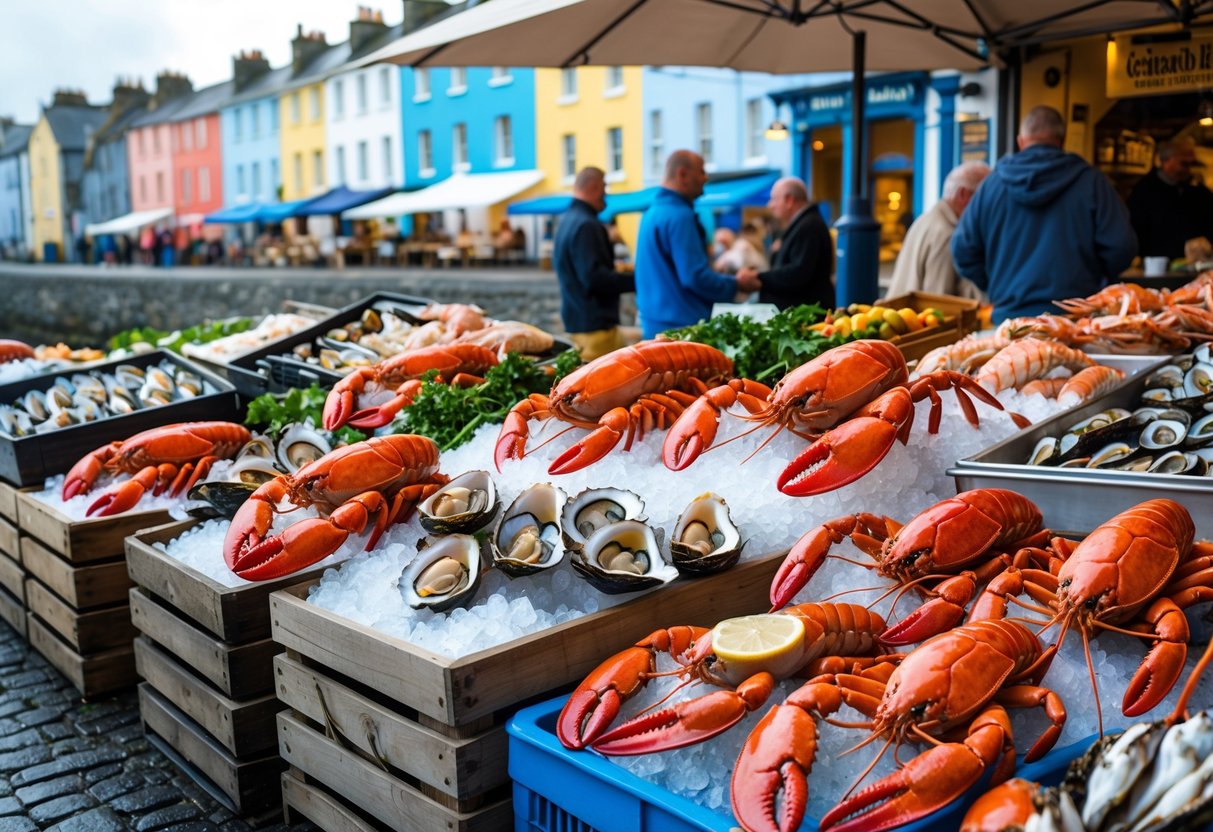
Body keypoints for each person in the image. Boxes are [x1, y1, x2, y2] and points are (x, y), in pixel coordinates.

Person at [952, 105, 1137, 323]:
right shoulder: (1091, 182)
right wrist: (1095, 280)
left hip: (1010, 321)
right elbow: (1122, 247)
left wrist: (997, 284)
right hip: (1075, 321)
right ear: (1062, 140)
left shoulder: (991, 185)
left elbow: (962, 250)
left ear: (1021, 141)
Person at [634, 150, 760, 337]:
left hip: (656, 325)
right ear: (683, 174)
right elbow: (694, 277)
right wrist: (737, 283)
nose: (705, 178)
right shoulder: (679, 216)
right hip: (682, 329)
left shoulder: (651, 213)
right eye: (701, 171)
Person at [553, 166, 636, 360]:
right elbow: (595, 278)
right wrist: (638, 280)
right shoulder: (587, 224)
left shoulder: (566, 220)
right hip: (595, 328)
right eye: (604, 187)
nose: (605, 194)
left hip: (578, 322)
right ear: (594, 186)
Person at [886, 161, 990, 299]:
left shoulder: (927, 219)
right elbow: (939, 304)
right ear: (963, 194)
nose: (989, 205)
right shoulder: (948, 234)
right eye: (985, 197)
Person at [737, 176, 833, 310]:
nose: (770, 205)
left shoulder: (808, 225)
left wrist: (759, 277)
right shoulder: (804, 224)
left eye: (774, 199)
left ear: (789, 200)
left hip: (807, 316)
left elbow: (798, 273)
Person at [1127, 137, 1213, 262]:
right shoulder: (1144, 190)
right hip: (1159, 266)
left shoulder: (1197, 189)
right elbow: (1136, 232)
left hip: (1197, 264)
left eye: (1191, 164)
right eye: (1183, 163)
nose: (1188, 169)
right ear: (1165, 161)